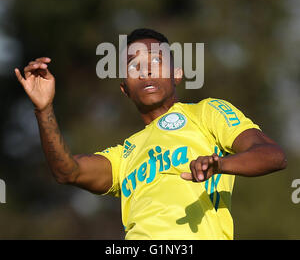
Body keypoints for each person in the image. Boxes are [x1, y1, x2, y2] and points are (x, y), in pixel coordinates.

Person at [15, 28, 287, 240]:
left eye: (156, 60)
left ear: (177, 74)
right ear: (125, 88)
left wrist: (221, 164)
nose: (145, 69)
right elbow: (67, 171)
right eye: (134, 66)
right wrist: (44, 109)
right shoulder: (126, 154)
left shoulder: (207, 113)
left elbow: (272, 155)